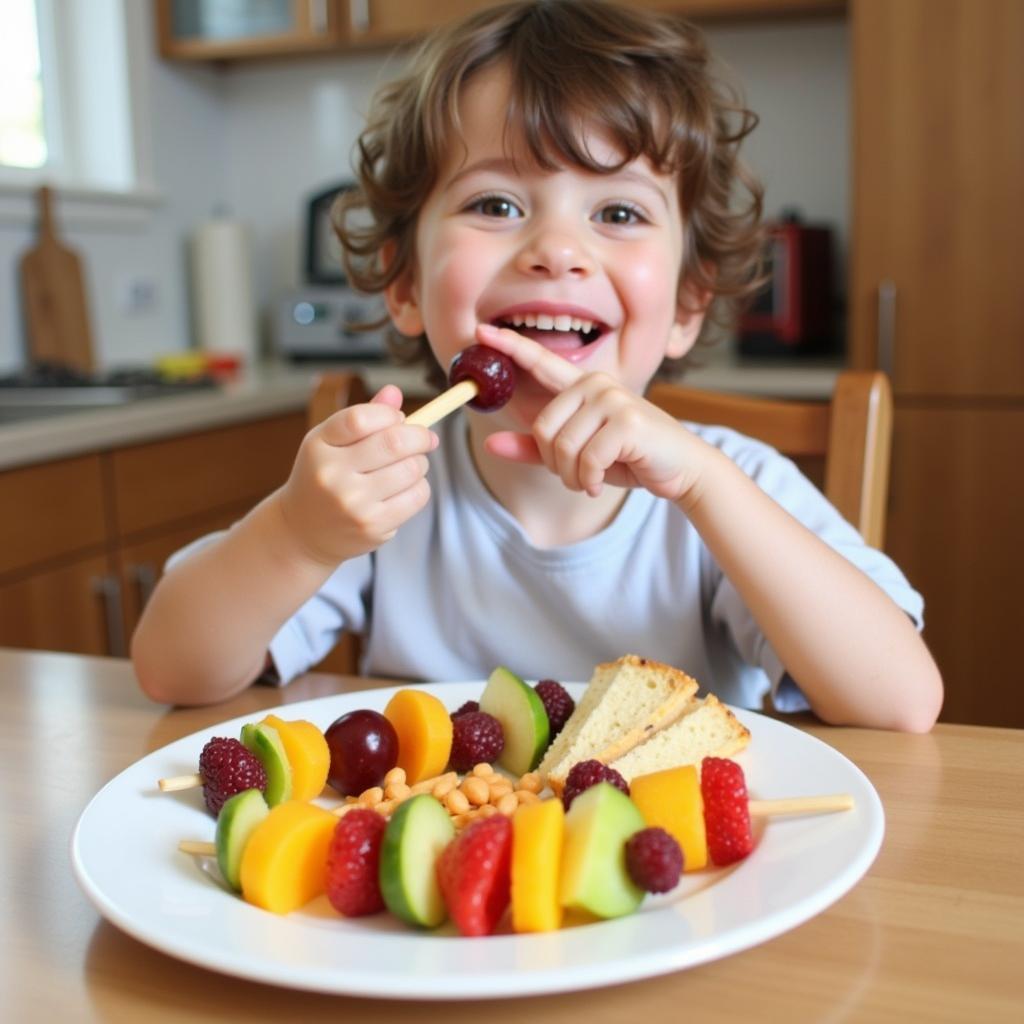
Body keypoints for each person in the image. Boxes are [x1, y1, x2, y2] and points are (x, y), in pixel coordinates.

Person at [132, 0, 942, 731]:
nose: (557, 250)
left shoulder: (726, 486)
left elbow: (902, 704)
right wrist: (298, 537)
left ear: (688, 305)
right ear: (406, 286)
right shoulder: (383, 500)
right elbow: (172, 668)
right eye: (496, 205)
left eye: (618, 212)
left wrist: (705, 488)